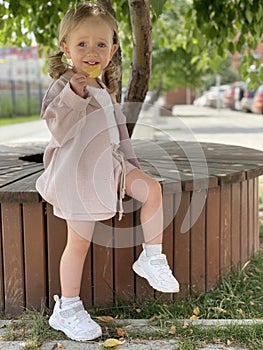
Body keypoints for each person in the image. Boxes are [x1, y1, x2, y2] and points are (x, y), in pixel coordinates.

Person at [36, 1, 179, 342]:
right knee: (79, 244)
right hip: (78, 177)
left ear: (113, 50)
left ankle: (152, 257)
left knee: (152, 189)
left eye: (101, 44)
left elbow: (119, 136)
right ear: (65, 47)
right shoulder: (65, 86)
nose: (91, 51)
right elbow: (59, 127)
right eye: (82, 43)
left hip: (112, 169)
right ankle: (67, 308)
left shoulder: (106, 90)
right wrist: (73, 93)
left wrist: (133, 170)